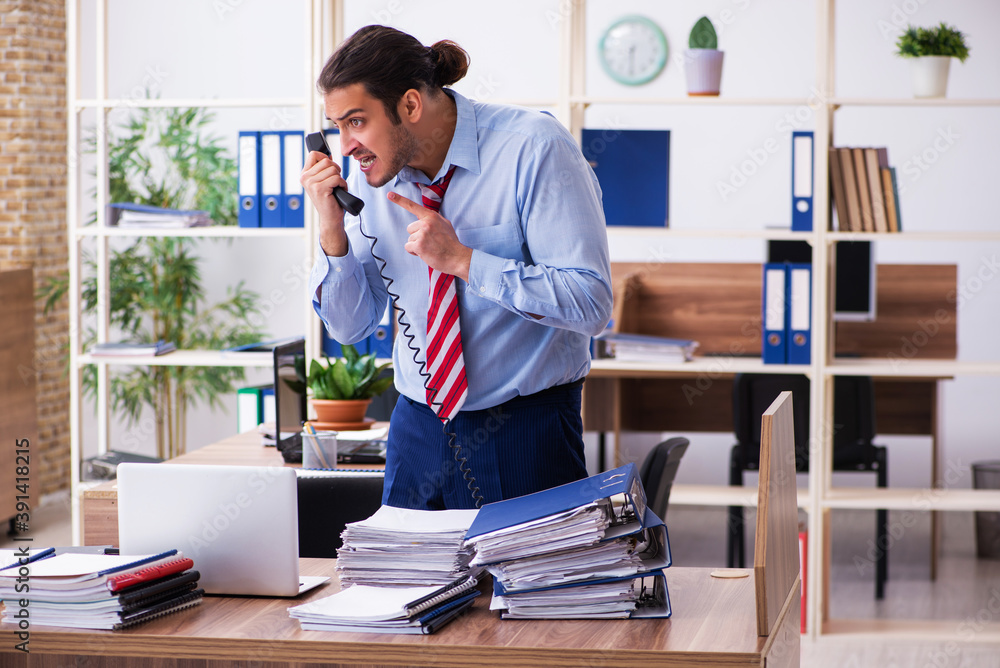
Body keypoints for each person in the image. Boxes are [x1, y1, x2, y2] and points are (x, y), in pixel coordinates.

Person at [303, 25, 612, 510]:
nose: (344, 146)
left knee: (522, 586)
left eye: (356, 122)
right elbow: (348, 327)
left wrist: (465, 261)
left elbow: (590, 304)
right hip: (417, 431)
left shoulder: (534, 147)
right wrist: (331, 232)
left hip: (525, 429)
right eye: (336, 126)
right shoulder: (365, 178)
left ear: (409, 106)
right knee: (403, 585)